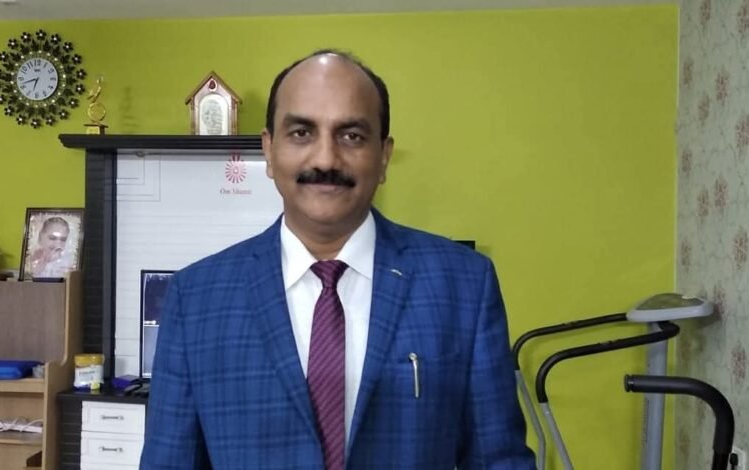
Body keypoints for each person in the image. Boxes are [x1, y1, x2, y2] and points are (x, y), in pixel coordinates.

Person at [141, 49, 535, 469]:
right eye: (301, 133)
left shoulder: (464, 285)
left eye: (351, 136)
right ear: (269, 150)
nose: (326, 159)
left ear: (383, 156)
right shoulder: (196, 298)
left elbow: (499, 461)